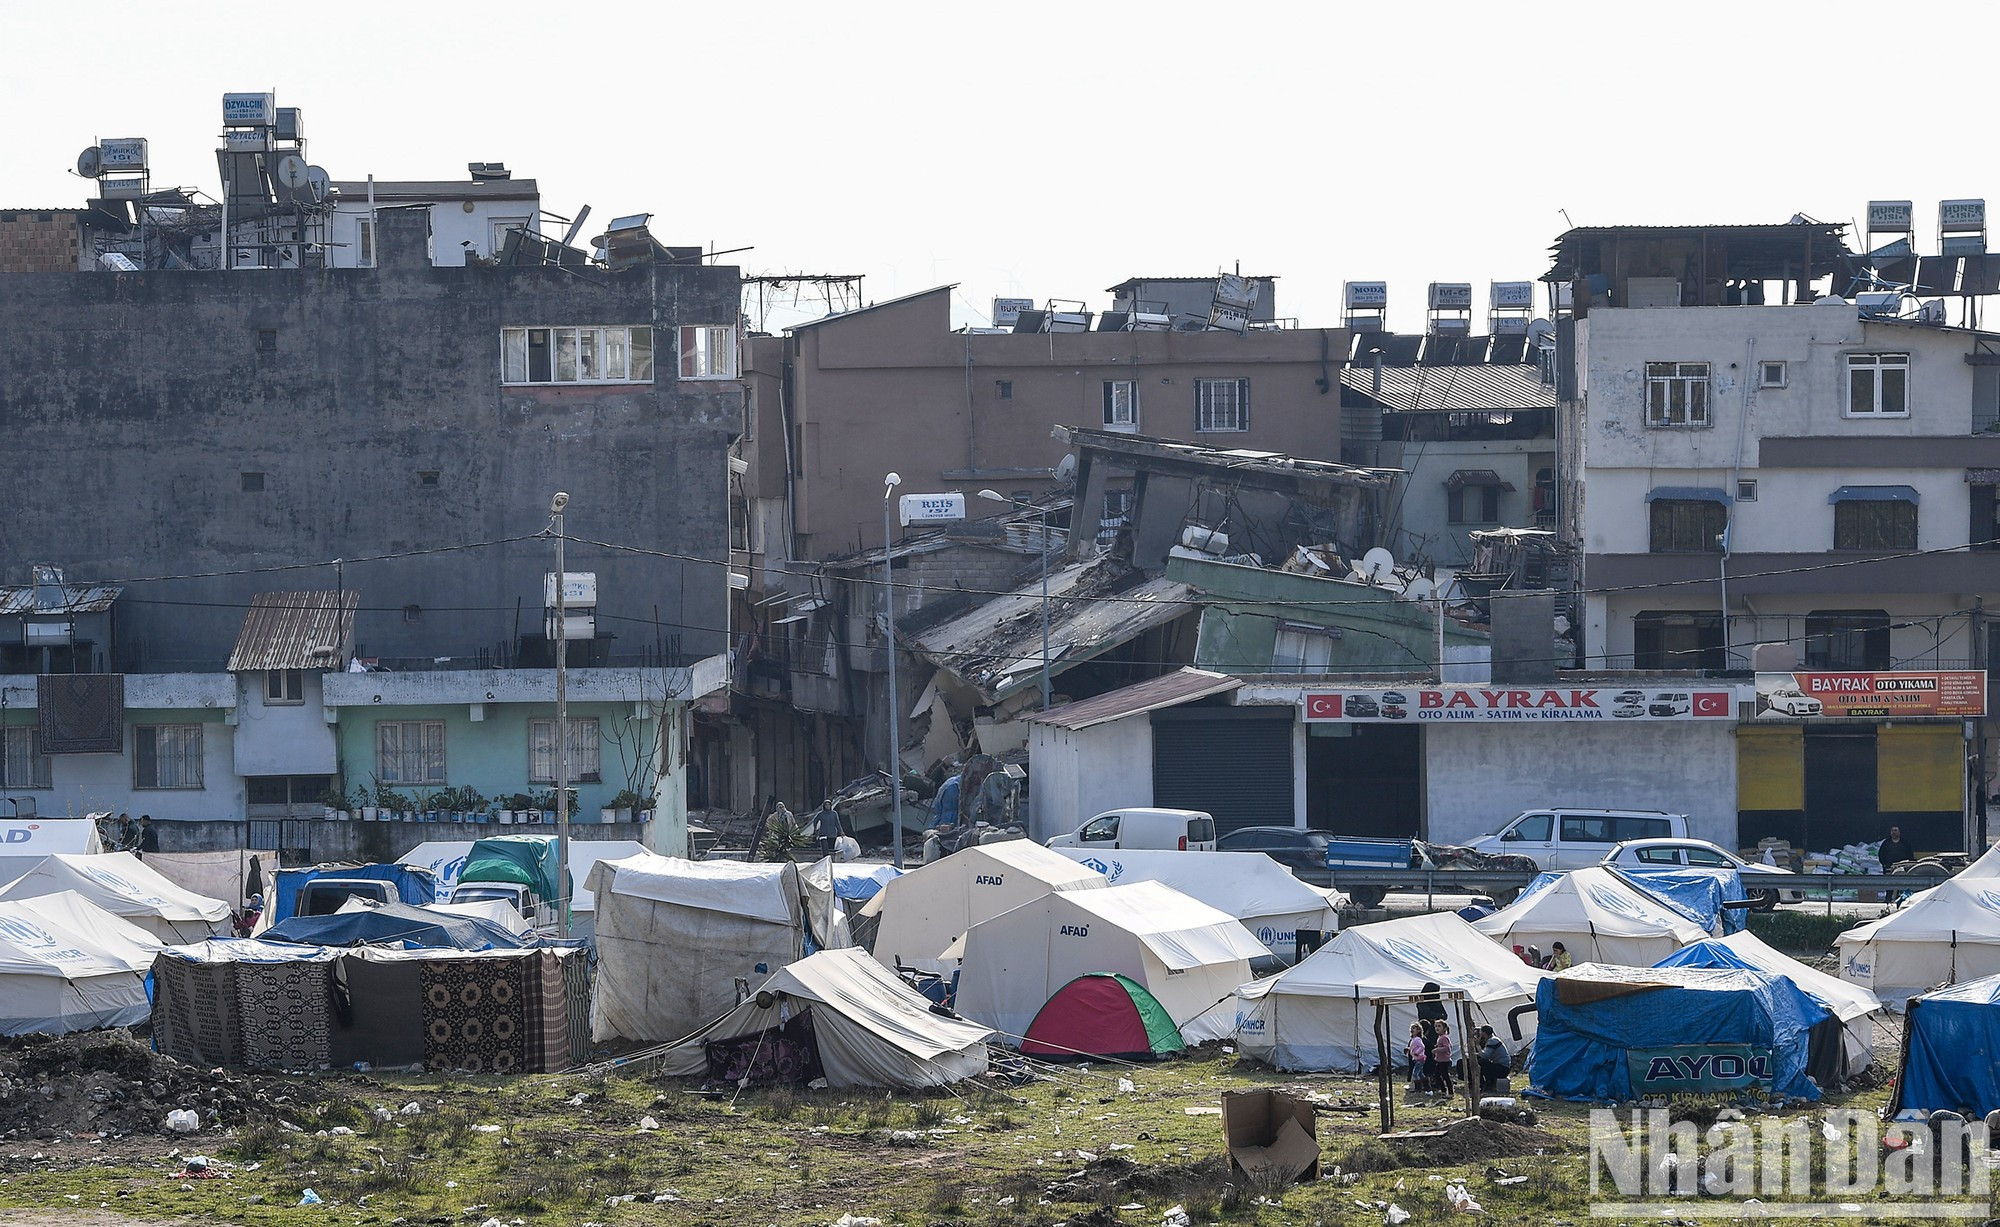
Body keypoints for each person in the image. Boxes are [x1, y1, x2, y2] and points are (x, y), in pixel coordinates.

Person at [1476, 1024, 1512, 1090]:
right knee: (1482, 1061)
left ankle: (1488, 1082)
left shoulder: (1492, 1041)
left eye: (1480, 1032)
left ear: (1484, 1033)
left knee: (1482, 1062)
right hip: (1502, 1067)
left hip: (1502, 1069)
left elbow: (1485, 1056)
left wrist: (1477, 1046)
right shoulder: (1493, 1039)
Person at [1429, 1020, 1455, 1097]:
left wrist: (1436, 1050)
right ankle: (1443, 1090)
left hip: (1444, 1060)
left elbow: (1447, 1048)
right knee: (1437, 1075)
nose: (1437, 1028)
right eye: (1436, 1026)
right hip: (1439, 1060)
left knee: (1445, 1076)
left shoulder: (1444, 1037)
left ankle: (1450, 1092)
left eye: (1439, 1026)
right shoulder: (1440, 1037)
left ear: (1444, 1028)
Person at [1405, 1022, 1428, 1093]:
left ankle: (1418, 1088)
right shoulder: (1413, 1039)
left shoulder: (1418, 1039)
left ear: (1418, 1030)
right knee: (1420, 1073)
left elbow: (1422, 1047)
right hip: (1416, 1059)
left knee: (1415, 1074)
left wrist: (1417, 1053)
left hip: (1420, 1059)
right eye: (1411, 1028)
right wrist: (1408, 1049)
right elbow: (1414, 1047)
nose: (1412, 1030)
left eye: (1414, 1028)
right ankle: (1427, 1086)